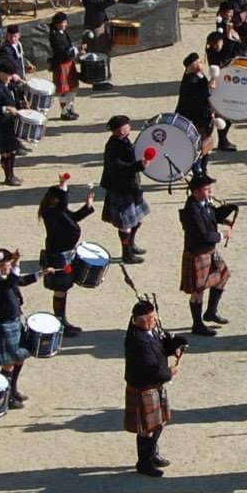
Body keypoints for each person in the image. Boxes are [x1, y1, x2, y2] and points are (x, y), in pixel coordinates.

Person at [124, 301, 183, 477]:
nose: (155, 320)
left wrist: (174, 346)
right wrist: (170, 372)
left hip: (153, 386)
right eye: (152, 318)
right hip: (144, 387)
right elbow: (153, 369)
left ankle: (152, 454)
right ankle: (144, 463)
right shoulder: (138, 341)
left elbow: (160, 348)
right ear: (142, 320)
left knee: (160, 422)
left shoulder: (148, 332)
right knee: (147, 429)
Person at [177, 174, 233, 337]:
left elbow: (211, 214)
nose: (210, 192)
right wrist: (222, 235)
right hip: (197, 253)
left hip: (209, 251)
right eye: (206, 189)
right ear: (196, 192)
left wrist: (225, 215)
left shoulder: (204, 203)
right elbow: (204, 235)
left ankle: (211, 312)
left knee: (223, 275)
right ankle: (197, 324)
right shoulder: (192, 210)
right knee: (198, 290)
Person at [37, 179, 95, 335]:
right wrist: (64, 187)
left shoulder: (58, 211)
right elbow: (63, 206)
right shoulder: (51, 212)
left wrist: (87, 206)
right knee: (60, 290)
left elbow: (73, 218)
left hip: (66, 254)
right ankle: (60, 322)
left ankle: (61, 320)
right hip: (58, 257)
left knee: (63, 289)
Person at [0, 249, 38, 408]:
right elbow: (10, 282)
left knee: (20, 357)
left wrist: (42, 273)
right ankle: (6, 397)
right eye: (2, 265)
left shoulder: (7, 277)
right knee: (8, 364)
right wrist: (17, 263)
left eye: (7, 264)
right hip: (4, 325)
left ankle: (13, 390)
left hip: (14, 322)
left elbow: (21, 280)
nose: (6, 267)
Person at [102, 117, 149, 264]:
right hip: (120, 188)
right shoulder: (114, 146)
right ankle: (126, 253)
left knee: (138, 218)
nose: (130, 127)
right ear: (120, 130)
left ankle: (131, 244)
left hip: (131, 186)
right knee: (126, 224)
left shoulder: (124, 141)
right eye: (127, 126)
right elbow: (119, 167)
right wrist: (139, 165)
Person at [175, 53, 219, 167]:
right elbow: (199, 97)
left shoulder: (199, 75)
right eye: (198, 62)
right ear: (192, 65)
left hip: (203, 115)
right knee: (198, 145)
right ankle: (198, 170)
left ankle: (203, 170)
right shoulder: (190, 81)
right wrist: (209, 88)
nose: (202, 63)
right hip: (195, 117)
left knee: (207, 144)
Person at [0, 63, 26, 188]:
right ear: (0, 74)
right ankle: (8, 177)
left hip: (11, 123)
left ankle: (11, 175)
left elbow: (15, 103)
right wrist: (6, 109)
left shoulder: (11, 87)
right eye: (7, 74)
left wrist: (22, 104)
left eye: (10, 74)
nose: (9, 77)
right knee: (6, 152)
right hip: (2, 124)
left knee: (12, 151)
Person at [48, 12, 82, 122]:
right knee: (63, 90)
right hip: (61, 64)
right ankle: (64, 111)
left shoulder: (63, 32)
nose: (65, 24)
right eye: (63, 22)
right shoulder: (54, 35)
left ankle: (69, 107)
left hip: (68, 62)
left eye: (65, 22)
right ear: (57, 23)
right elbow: (61, 50)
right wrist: (73, 52)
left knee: (73, 87)